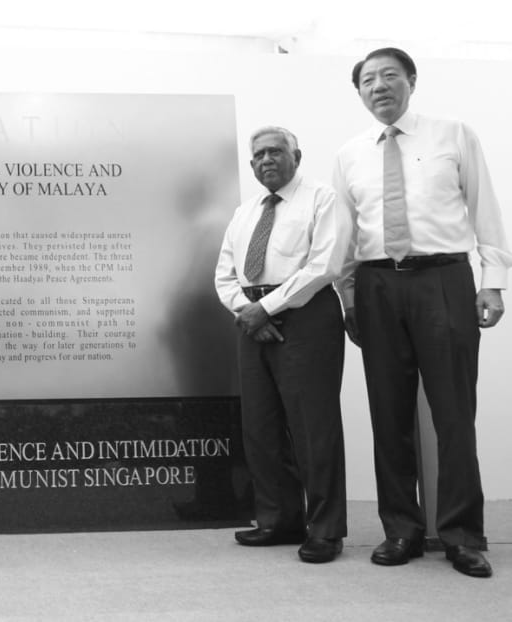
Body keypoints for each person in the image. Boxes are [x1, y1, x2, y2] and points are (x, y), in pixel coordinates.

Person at [334, 47, 512, 578]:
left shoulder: (453, 133)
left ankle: (461, 535)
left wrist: (494, 282)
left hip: (444, 280)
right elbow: (345, 235)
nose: (379, 85)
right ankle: (401, 530)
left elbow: (485, 209)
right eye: (368, 79)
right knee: (388, 414)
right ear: (359, 93)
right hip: (376, 284)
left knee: (453, 412)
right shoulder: (349, 154)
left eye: (390, 75)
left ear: (412, 81)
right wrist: (348, 296)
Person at [215, 126, 350, 563]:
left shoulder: (322, 198)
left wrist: (267, 308)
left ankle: (326, 530)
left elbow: (325, 263)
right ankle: (279, 519)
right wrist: (247, 312)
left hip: (305, 315)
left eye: (276, 151)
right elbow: (225, 273)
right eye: (258, 155)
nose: (266, 160)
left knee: (313, 428)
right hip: (252, 320)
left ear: (297, 155)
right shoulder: (245, 211)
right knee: (262, 427)